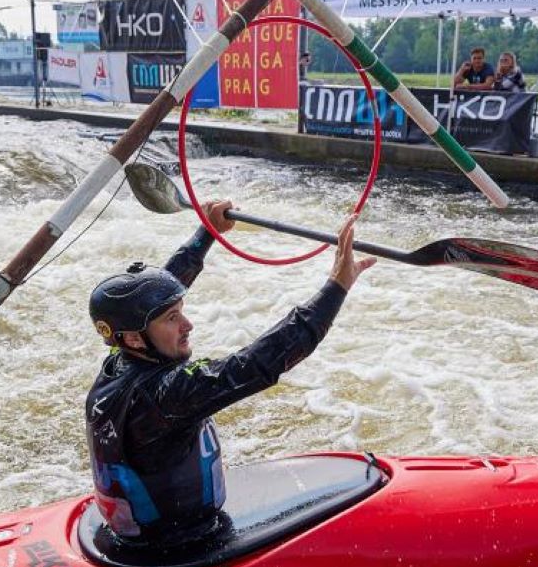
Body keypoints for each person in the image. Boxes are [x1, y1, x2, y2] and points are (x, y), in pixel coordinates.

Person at [85, 203, 375, 548]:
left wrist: (206, 234)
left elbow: (160, 292)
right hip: (181, 544)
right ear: (134, 337)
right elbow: (260, 363)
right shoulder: (167, 395)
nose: (187, 324)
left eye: (181, 312)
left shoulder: (119, 358)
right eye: (173, 319)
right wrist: (337, 287)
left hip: (136, 534)